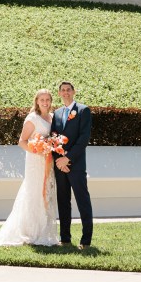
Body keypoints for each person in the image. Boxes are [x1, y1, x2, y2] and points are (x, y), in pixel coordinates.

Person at [0, 89, 59, 247]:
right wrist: (38, 150)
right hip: (35, 160)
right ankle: (31, 231)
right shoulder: (32, 118)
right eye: (42, 100)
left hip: (48, 161)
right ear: (37, 101)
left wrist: (50, 146)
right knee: (34, 191)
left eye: (47, 99)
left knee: (46, 192)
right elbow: (22, 141)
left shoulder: (53, 117)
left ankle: (44, 230)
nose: (45, 102)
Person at [52, 81, 93, 248]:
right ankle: (65, 239)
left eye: (68, 90)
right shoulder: (57, 113)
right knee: (63, 202)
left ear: (73, 92)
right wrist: (59, 161)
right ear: (59, 93)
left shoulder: (83, 110)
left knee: (82, 201)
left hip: (76, 165)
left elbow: (83, 139)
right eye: (62, 90)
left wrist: (67, 158)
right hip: (60, 166)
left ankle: (86, 241)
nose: (65, 92)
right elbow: (53, 138)